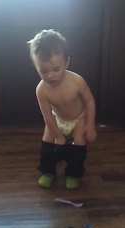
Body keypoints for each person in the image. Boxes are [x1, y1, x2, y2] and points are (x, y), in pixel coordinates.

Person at [27, 29, 97, 189]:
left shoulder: (77, 82)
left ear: (67, 63)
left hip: (78, 118)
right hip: (56, 119)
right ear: (36, 67)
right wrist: (57, 136)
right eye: (43, 71)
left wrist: (90, 125)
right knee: (47, 144)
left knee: (78, 145)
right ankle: (48, 172)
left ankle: (74, 173)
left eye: (56, 69)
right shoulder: (42, 90)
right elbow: (47, 116)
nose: (50, 75)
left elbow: (90, 101)